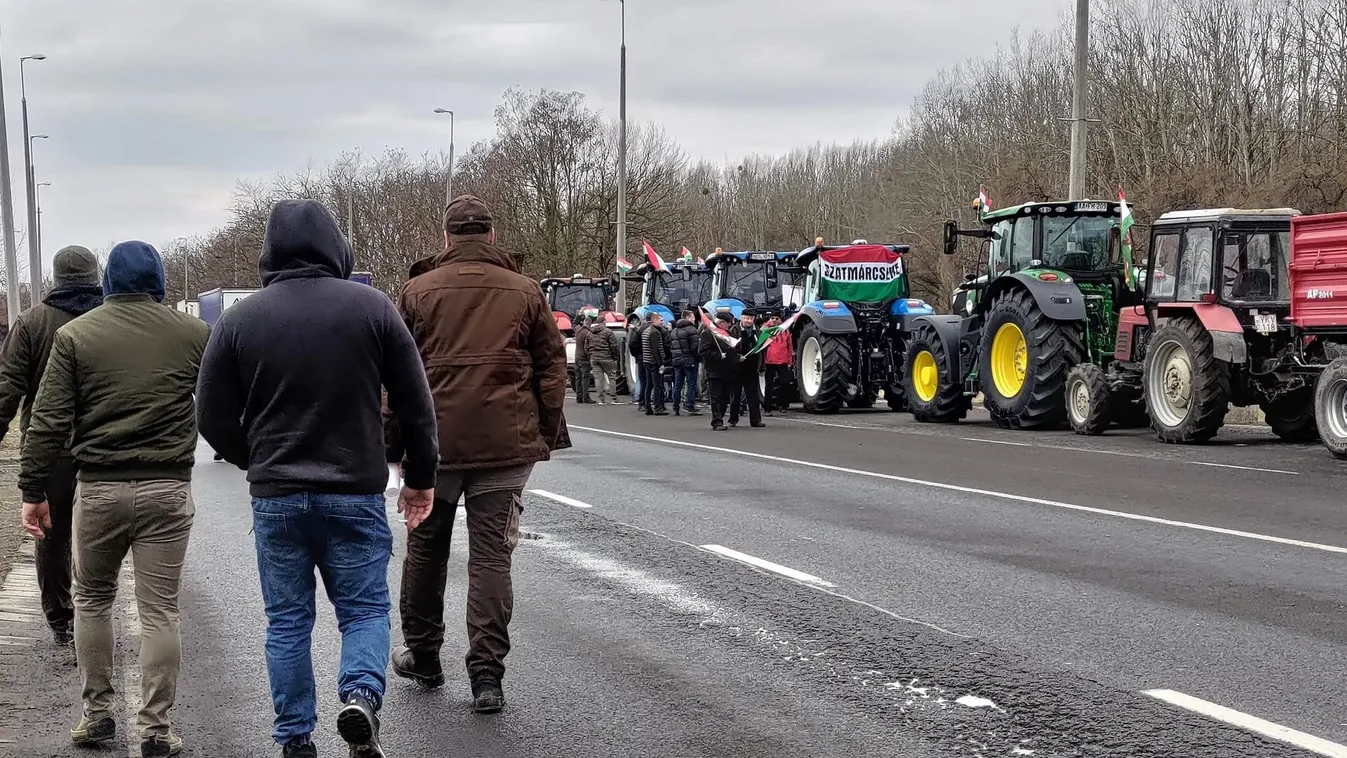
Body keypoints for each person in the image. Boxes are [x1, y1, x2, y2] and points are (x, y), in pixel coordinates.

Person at [196, 199, 440, 758]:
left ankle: (294, 740)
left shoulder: (239, 320)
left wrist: (252, 457)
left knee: (286, 621)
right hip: (353, 490)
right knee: (364, 610)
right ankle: (358, 696)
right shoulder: (373, 309)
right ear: (335, 245)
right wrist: (420, 477)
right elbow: (415, 403)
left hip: (277, 495)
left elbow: (209, 415)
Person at [19, 241, 208, 758]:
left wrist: (33, 489)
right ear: (160, 281)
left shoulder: (75, 336)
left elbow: (49, 419)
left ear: (108, 283)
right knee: (160, 611)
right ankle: (155, 729)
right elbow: (216, 409)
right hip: (167, 489)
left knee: (92, 599)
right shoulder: (194, 333)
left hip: (99, 489)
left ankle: (98, 715)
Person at [387, 194, 570, 715]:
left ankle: (424, 654)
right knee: (492, 557)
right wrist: (542, 432)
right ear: (491, 235)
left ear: (446, 237)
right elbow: (552, 369)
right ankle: (487, 674)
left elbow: (395, 378)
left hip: (434, 448)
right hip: (504, 447)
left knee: (425, 552)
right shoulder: (527, 291)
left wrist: (394, 446)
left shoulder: (416, 292)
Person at [0, 245, 103, 648]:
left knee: (51, 536)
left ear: (56, 279)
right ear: (95, 275)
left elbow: (7, 390)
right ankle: (96, 613)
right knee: (99, 535)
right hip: (100, 447)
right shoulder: (107, 319)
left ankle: (61, 619)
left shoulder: (31, 323)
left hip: (50, 449)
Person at [698, 312, 740, 431]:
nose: (729, 326)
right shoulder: (708, 333)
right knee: (716, 397)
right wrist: (717, 355)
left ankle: (720, 417)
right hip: (714, 370)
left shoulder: (728, 334)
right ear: (721, 323)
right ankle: (716, 421)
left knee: (725, 397)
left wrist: (737, 357)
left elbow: (732, 350)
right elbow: (703, 351)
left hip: (727, 371)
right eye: (728, 323)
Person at [730, 312, 765, 428]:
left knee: (753, 395)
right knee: (736, 395)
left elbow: (761, 349)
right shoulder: (734, 330)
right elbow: (731, 347)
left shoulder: (757, 331)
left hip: (752, 367)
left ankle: (755, 420)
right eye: (746, 318)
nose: (748, 321)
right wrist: (737, 357)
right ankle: (733, 418)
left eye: (750, 319)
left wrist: (761, 365)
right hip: (737, 367)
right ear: (742, 318)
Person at [669, 309, 701, 416]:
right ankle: (689, 405)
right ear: (688, 318)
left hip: (677, 361)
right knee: (691, 384)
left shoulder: (674, 331)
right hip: (689, 360)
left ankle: (675, 406)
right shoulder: (692, 330)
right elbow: (695, 347)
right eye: (692, 317)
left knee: (678, 384)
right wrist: (698, 358)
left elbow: (672, 347)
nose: (694, 319)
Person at [762, 313, 794, 415]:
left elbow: (789, 346)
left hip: (783, 361)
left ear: (781, 320)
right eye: (772, 318)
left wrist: (789, 361)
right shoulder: (766, 330)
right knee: (769, 385)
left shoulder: (785, 331)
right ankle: (767, 408)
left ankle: (781, 404)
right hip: (769, 361)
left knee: (785, 382)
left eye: (777, 318)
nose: (775, 320)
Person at [585, 316, 621, 405]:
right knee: (611, 376)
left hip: (594, 358)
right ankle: (614, 398)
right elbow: (613, 346)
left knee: (598, 379)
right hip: (607, 358)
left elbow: (586, 347)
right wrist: (615, 357)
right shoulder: (608, 332)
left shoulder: (590, 333)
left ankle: (601, 399)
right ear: (604, 322)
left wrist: (591, 354)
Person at [640, 312, 670, 415]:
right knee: (657, 385)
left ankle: (648, 406)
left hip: (647, 361)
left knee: (649, 385)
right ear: (654, 320)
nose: (662, 322)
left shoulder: (646, 331)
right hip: (654, 363)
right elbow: (656, 349)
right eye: (660, 320)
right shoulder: (655, 332)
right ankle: (657, 407)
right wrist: (661, 363)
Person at [573, 314, 593, 403]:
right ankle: (586, 397)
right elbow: (587, 348)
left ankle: (579, 397)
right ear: (590, 324)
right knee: (585, 378)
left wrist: (578, 315)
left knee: (578, 377)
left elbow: (573, 324)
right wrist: (589, 359)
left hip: (577, 357)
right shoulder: (588, 333)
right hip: (584, 358)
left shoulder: (578, 330)